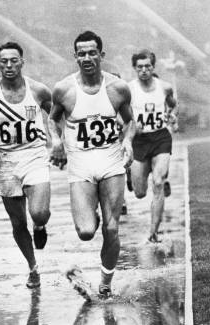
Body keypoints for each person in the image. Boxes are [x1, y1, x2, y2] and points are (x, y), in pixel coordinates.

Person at [49, 31, 135, 298]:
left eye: (92, 52)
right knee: (86, 231)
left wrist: (128, 142)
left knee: (112, 228)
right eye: (81, 53)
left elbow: (130, 121)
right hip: (81, 166)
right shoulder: (64, 90)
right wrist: (56, 141)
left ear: (101, 55)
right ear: (75, 56)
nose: (87, 58)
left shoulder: (118, 88)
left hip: (110, 162)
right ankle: (92, 216)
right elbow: (52, 120)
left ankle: (105, 283)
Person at [0, 42, 52, 289]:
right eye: (4, 61)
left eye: (13, 60)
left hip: (34, 155)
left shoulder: (38, 90)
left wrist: (57, 139)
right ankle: (33, 267)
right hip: (6, 162)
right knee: (17, 223)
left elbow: (57, 116)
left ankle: (40, 224)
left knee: (38, 212)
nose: (9, 65)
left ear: (22, 62)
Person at [128, 50, 178, 243]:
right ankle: (141, 175)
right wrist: (131, 124)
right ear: (134, 68)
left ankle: (153, 233)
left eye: (147, 66)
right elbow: (118, 113)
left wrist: (171, 115)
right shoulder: (128, 89)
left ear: (153, 67)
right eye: (139, 67)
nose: (144, 70)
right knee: (140, 192)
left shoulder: (164, 87)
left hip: (160, 138)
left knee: (157, 183)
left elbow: (172, 104)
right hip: (139, 141)